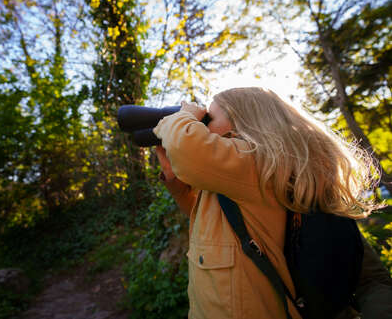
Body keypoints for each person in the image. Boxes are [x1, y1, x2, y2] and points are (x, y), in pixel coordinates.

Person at [153, 87, 387, 319]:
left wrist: (184, 114)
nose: (202, 124)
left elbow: (188, 149)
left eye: (209, 118)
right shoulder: (246, 176)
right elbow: (214, 226)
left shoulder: (255, 162)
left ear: (246, 121)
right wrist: (176, 184)